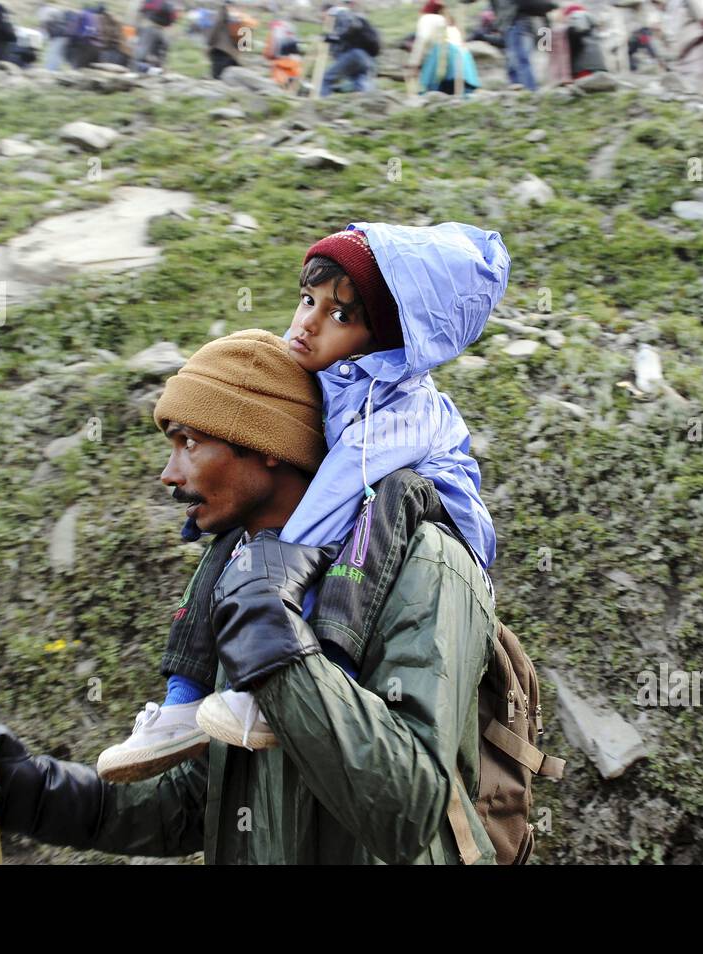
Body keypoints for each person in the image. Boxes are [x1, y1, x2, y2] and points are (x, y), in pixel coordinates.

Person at [0, 332, 503, 864]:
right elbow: (200, 798)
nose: (168, 473)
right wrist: (34, 794)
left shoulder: (425, 562)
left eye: (189, 442)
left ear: (267, 444)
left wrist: (282, 659)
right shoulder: (247, 569)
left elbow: (409, 812)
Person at [89, 223, 507, 774]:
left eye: (340, 316)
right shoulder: (329, 379)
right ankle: (181, 699)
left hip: (424, 511)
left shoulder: (403, 409)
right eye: (308, 299)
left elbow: (335, 491)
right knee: (238, 537)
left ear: (387, 341)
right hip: (357, 507)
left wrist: (270, 576)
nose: (308, 322)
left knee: (375, 509)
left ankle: (329, 670)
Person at [408, 0, 481, 95]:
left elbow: (422, 41)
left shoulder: (427, 19)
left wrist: (414, 63)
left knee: (433, 93)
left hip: (442, 55)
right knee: (459, 94)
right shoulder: (450, 23)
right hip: (463, 60)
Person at [491, 0, 554, 90]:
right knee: (523, 57)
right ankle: (527, 86)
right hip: (530, 25)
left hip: (521, 24)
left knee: (520, 57)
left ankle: (529, 87)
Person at [320, 2, 380, 95]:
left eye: (323, 17)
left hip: (353, 54)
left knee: (326, 79)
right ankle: (368, 103)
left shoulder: (338, 13)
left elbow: (348, 29)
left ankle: (321, 106)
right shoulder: (352, 15)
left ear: (325, 12)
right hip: (367, 57)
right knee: (360, 83)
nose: (323, 20)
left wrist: (331, 37)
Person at [135, 0, 176, 72]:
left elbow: (142, 10)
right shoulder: (168, 5)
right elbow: (172, 19)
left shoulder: (152, 2)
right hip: (159, 26)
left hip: (150, 24)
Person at [265, 18, 304, 90]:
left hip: (281, 60)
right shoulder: (290, 30)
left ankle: (282, 87)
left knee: (279, 77)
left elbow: (270, 50)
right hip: (294, 60)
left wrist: (269, 57)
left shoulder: (275, 31)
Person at [206, 1, 243, 79]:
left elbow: (216, 26)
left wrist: (209, 42)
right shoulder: (239, 12)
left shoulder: (224, 10)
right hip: (233, 53)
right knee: (231, 80)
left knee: (217, 78)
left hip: (221, 49)